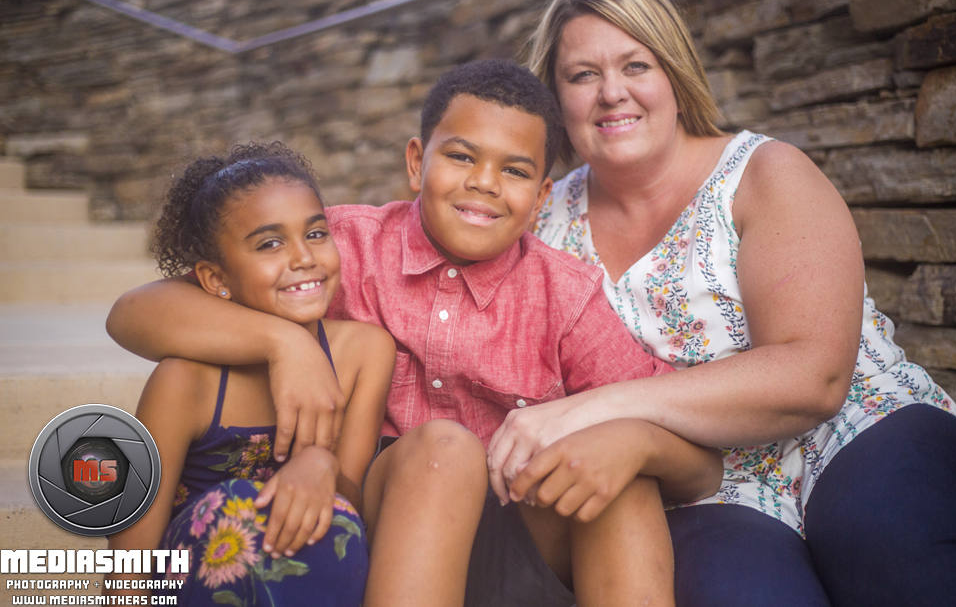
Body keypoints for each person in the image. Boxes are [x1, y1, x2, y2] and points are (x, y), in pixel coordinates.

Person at [107, 60, 724, 606]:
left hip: (516, 539)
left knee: (621, 477)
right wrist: (284, 342)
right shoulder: (337, 246)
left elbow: (699, 465)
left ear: (539, 200)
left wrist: (633, 445)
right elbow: (134, 314)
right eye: (461, 156)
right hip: (379, 518)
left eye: (512, 170)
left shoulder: (566, 296)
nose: (483, 182)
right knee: (444, 449)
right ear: (414, 163)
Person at [483, 0, 956, 607]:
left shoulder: (762, 174)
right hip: (701, 484)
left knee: (890, 552)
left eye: (636, 65)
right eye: (582, 75)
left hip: (856, 428)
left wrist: (588, 410)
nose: (612, 93)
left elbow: (813, 377)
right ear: (554, 99)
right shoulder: (540, 222)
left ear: (673, 73)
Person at [104, 143, 394, 606]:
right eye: (270, 243)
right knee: (237, 507)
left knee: (330, 519)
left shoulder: (364, 352)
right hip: (195, 582)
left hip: (309, 580)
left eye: (316, 233)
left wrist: (321, 463)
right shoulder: (185, 382)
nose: (303, 257)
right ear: (216, 279)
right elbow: (130, 563)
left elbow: (349, 510)